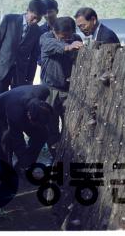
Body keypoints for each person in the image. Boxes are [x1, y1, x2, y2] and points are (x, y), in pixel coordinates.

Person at [39, 17, 83, 156]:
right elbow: (52, 45)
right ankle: (54, 155)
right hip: (50, 90)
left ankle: (66, 154)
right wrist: (68, 46)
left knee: (69, 125)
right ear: (54, 31)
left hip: (69, 90)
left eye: (69, 36)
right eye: (63, 37)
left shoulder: (75, 38)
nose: (67, 39)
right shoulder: (46, 37)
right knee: (51, 125)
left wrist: (74, 43)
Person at [0, 85, 53, 171]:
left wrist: (27, 162)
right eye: (36, 123)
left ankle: (22, 166)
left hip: (16, 108)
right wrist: (24, 160)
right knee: (7, 135)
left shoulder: (43, 91)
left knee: (42, 133)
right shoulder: (16, 113)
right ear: (29, 116)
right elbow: (18, 141)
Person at [0, 0, 47, 97]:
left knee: (16, 103)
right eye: (34, 17)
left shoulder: (37, 31)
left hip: (20, 73)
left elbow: (33, 57)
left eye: (39, 19)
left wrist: (29, 78)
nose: (35, 21)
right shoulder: (9, 20)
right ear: (28, 10)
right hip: (2, 68)